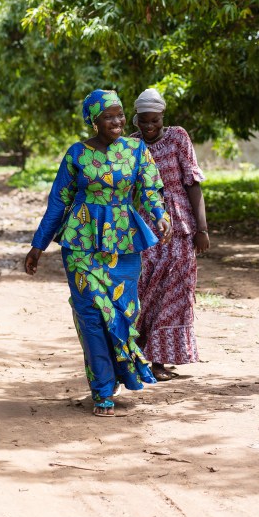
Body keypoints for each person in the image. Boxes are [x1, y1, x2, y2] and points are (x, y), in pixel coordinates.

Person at [24, 89, 171, 417]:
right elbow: (59, 201)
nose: (117, 121)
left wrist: (159, 214)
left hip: (124, 242)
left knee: (123, 311)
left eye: (120, 114)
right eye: (109, 116)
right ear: (93, 120)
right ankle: (102, 390)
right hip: (81, 243)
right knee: (91, 314)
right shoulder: (77, 154)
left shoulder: (136, 150)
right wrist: (39, 245)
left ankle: (118, 373)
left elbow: (149, 190)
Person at [131, 88, 209, 381]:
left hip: (179, 224)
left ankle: (161, 360)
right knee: (145, 290)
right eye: (143, 121)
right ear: (136, 119)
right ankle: (138, 356)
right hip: (145, 227)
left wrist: (202, 229)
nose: (149, 127)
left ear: (163, 116)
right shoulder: (130, 145)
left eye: (154, 121)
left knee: (176, 290)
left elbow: (192, 182)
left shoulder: (178, 137)